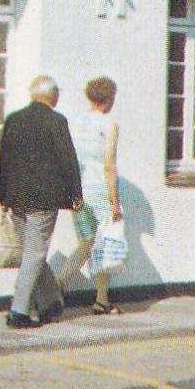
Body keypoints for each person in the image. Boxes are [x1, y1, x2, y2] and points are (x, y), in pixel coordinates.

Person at [0, 75, 82, 329]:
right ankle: (19, 311)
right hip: (43, 199)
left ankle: (51, 301)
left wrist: (0, 196)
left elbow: (5, 160)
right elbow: (69, 160)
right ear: (52, 95)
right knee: (35, 252)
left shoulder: (14, 119)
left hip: (15, 197)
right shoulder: (56, 121)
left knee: (32, 250)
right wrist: (76, 196)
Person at [57, 76, 124, 315]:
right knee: (103, 245)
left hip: (76, 190)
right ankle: (102, 299)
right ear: (110, 99)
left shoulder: (75, 122)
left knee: (86, 243)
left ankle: (59, 285)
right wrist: (115, 202)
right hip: (99, 191)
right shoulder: (109, 125)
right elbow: (109, 165)